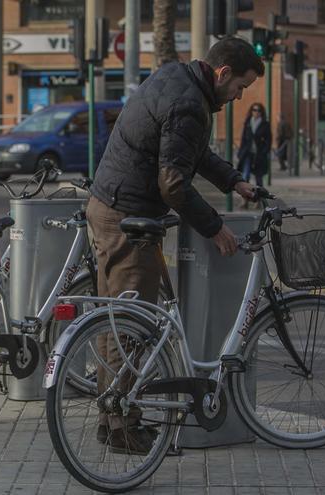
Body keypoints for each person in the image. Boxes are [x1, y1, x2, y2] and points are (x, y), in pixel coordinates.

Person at [87, 37, 261, 454]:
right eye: (240, 87)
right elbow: (174, 183)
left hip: (112, 206)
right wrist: (214, 227)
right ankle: (123, 426)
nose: (239, 97)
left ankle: (111, 421)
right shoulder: (190, 103)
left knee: (119, 319)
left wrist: (233, 180)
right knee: (130, 326)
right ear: (221, 74)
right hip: (127, 218)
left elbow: (191, 152)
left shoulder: (177, 78)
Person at [236, 103, 272, 207]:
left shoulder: (265, 124)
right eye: (254, 110)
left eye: (258, 110)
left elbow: (268, 140)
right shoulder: (248, 122)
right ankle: (245, 200)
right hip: (247, 154)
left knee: (258, 178)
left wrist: (264, 152)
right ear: (251, 111)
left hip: (259, 155)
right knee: (245, 176)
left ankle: (259, 201)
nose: (256, 112)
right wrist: (240, 152)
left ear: (262, 112)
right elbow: (243, 138)